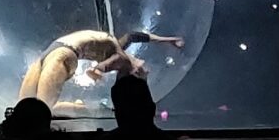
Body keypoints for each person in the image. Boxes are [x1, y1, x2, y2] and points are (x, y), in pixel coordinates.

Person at [17, 28, 184, 113]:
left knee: (37, 110)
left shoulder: (121, 59)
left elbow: (98, 68)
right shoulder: (119, 49)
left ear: (135, 71)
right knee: (30, 109)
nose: (143, 64)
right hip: (56, 53)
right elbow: (136, 36)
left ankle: (78, 109)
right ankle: (78, 108)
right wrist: (168, 40)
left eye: (143, 69)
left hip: (58, 53)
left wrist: (96, 72)